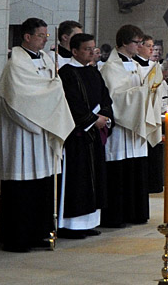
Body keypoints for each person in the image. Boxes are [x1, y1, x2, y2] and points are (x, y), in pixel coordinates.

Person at [0, 18, 75, 252]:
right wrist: (37, 123)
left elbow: (54, 91)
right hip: (25, 132)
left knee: (43, 184)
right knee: (23, 186)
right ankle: (17, 238)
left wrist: (48, 121)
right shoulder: (15, 64)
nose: (44, 40)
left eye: (46, 36)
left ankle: (39, 233)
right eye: (41, 36)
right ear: (27, 37)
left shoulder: (46, 59)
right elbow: (14, 99)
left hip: (45, 131)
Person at [99, 24, 160, 227]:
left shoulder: (134, 64)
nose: (139, 46)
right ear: (124, 42)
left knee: (136, 167)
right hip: (122, 127)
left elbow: (140, 89)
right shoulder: (111, 67)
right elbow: (115, 97)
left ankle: (136, 213)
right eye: (136, 42)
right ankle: (117, 215)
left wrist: (151, 89)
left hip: (136, 125)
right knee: (119, 170)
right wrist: (143, 92)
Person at [56, 33, 113, 238]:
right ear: (74, 51)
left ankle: (89, 221)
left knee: (94, 178)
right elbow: (71, 103)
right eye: (87, 49)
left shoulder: (93, 72)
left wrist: (105, 116)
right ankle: (71, 225)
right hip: (77, 136)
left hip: (95, 134)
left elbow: (106, 96)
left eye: (93, 48)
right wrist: (92, 120)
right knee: (77, 179)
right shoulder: (67, 73)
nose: (92, 52)